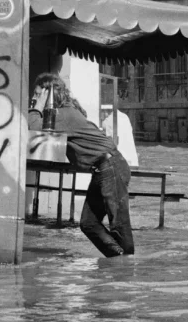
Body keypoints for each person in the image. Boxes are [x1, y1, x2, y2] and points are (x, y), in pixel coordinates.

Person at [28, 72, 134, 257]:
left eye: (38, 94)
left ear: (49, 94)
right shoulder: (61, 113)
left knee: (119, 225)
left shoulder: (63, 114)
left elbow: (35, 129)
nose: (33, 99)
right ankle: (119, 261)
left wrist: (37, 107)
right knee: (89, 223)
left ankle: (127, 271)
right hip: (103, 168)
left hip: (111, 166)